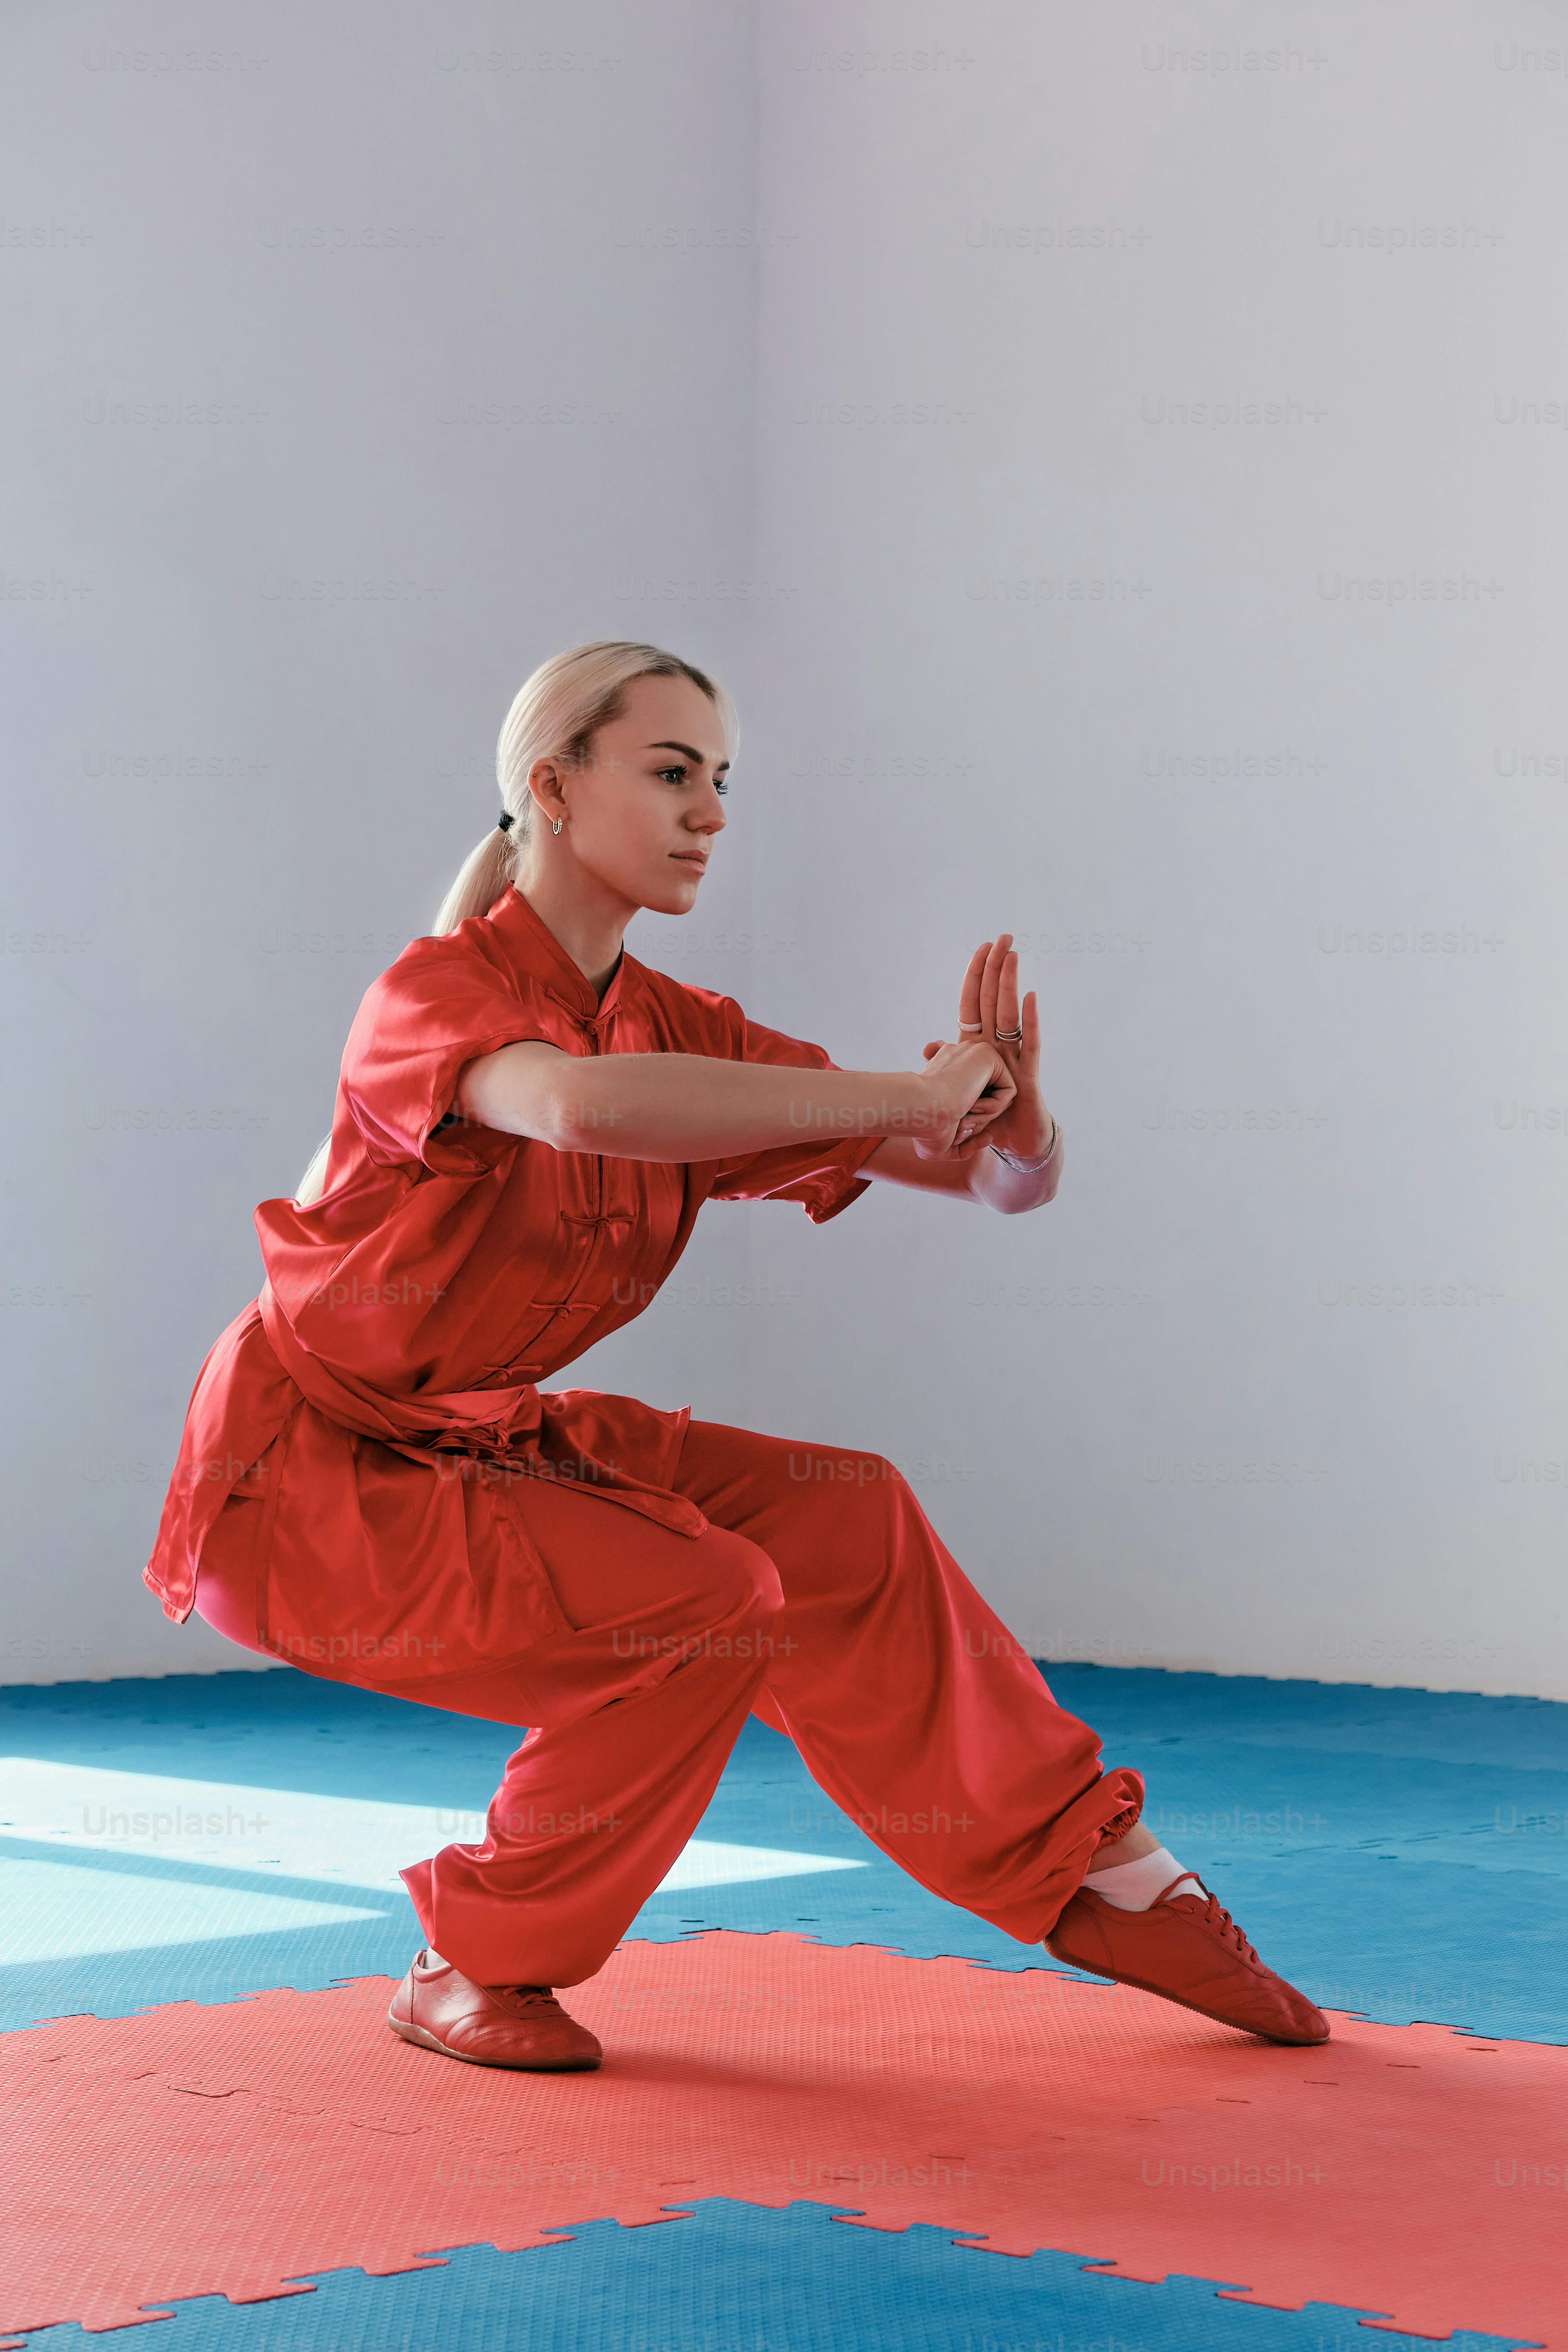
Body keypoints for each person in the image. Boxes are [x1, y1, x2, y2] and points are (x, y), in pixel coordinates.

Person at [146, 639, 1327, 2073]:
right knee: (707, 1601)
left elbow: (971, 1177)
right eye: (669, 772)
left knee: (848, 1510)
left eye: (721, 780)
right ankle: (477, 1961)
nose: (711, 810)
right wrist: (907, 1088)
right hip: (309, 1492)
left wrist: (1018, 1134)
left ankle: (1099, 1876)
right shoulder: (436, 995)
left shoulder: (679, 1031)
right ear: (553, 788)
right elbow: (580, 1110)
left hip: (489, 1441)